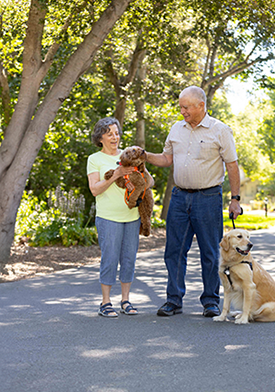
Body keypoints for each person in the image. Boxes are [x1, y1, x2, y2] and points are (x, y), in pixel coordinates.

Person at [146, 86, 241, 318]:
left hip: (208, 198)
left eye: (186, 107)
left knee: (210, 251)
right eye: (181, 106)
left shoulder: (220, 130)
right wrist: (145, 155)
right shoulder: (176, 129)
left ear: (201, 105)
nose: (182, 111)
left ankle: (211, 301)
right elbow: (167, 159)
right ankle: (173, 300)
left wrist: (235, 199)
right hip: (179, 198)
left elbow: (232, 165)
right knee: (174, 250)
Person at [87, 117, 153, 317]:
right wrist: (117, 174)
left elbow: (150, 181)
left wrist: (138, 181)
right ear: (100, 138)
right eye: (109, 134)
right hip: (108, 218)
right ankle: (105, 302)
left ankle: (125, 300)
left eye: (116, 133)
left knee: (128, 259)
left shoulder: (129, 155)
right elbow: (94, 190)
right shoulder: (95, 159)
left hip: (132, 217)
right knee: (110, 258)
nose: (114, 137)